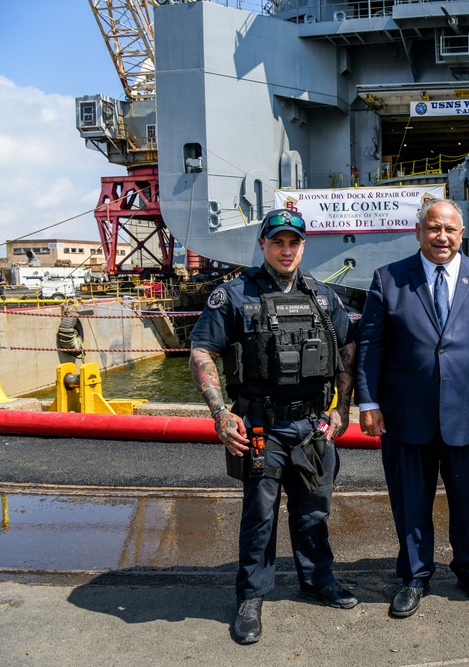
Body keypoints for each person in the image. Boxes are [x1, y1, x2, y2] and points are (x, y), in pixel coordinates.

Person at [188, 208, 358, 645]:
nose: (286, 250)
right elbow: (202, 352)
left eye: (294, 243)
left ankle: (319, 581)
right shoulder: (233, 295)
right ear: (263, 245)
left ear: (303, 247)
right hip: (259, 426)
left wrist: (341, 410)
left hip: (311, 426)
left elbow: (348, 350)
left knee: (314, 512)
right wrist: (220, 413)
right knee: (259, 517)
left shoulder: (324, 297)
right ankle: (251, 596)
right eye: (278, 242)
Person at [356, 198, 469, 618]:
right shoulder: (388, 279)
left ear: (462, 234)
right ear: (418, 232)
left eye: (449, 229)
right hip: (406, 411)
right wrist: (368, 401)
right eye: (433, 228)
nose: (441, 237)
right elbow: (371, 346)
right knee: (410, 502)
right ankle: (414, 576)